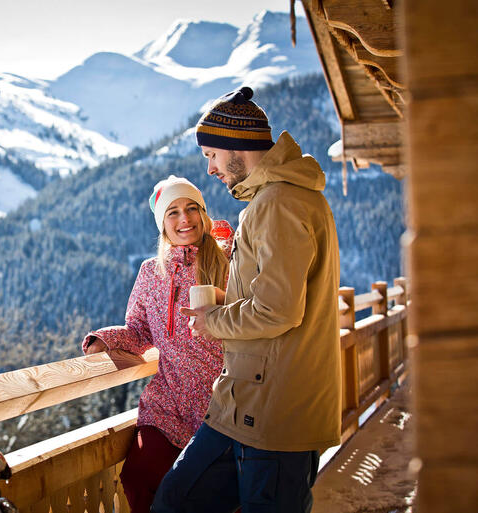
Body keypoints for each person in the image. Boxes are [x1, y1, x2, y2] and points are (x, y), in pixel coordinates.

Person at [152, 87, 341, 513]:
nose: (211, 168)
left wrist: (212, 320)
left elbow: (277, 309)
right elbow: (274, 295)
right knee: (175, 501)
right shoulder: (274, 199)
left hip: (275, 412)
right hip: (241, 403)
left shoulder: (280, 202)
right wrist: (228, 298)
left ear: (236, 146)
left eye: (211, 155)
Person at [81, 175, 233, 513]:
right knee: (139, 476)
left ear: (204, 214)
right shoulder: (151, 272)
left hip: (220, 403)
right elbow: (139, 330)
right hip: (168, 402)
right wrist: (105, 339)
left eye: (192, 209)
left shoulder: (227, 263)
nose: (184, 219)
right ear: (162, 224)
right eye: (173, 212)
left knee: (211, 495)